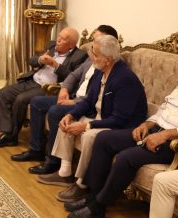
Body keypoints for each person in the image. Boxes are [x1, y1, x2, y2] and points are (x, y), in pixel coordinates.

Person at [64, 45, 178, 218]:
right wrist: (146, 124)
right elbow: (162, 111)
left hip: (176, 143)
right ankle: (92, 195)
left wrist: (166, 134)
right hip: (155, 130)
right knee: (103, 139)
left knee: (127, 157)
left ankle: (98, 207)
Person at [36, 35, 148, 204]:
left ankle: (82, 184)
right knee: (67, 123)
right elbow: (88, 101)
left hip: (122, 127)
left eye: (94, 53)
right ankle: (65, 173)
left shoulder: (125, 79)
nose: (91, 56)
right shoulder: (99, 71)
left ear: (107, 59)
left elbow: (119, 119)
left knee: (89, 136)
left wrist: (87, 126)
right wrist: (71, 115)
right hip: (101, 118)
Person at [11, 25, 118, 173]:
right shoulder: (91, 59)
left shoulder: (109, 66)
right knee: (37, 102)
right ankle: (36, 150)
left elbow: (96, 96)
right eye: (93, 40)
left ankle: (53, 161)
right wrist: (64, 89)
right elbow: (73, 75)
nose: (92, 46)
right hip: (74, 96)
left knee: (55, 111)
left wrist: (75, 102)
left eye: (96, 41)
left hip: (85, 104)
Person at [0, 27, 87, 148]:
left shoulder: (79, 56)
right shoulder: (52, 46)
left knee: (21, 99)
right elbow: (32, 60)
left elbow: (73, 78)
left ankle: (12, 136)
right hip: (32, 80)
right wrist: (41, 59)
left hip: (47, 88)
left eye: (63, 39)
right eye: (59, 36)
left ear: (71, 44)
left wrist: (55, 65)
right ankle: (8, 133)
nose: (58, 40)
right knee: (4, 93)